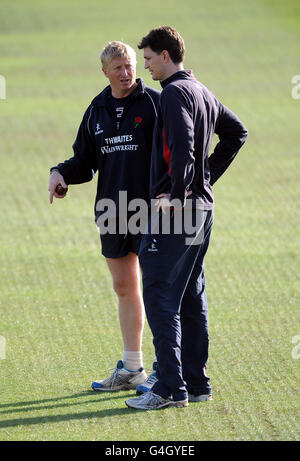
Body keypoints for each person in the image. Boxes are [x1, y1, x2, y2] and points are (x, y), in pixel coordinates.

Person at [125, 26, 248, 410]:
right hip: (203, 212)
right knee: (192, 295)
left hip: (177, 212)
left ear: (165, 55)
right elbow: (236, 133)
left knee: (160, 294)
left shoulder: (175, 92)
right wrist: (203, 180)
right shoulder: (201, 90)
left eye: (147, 60)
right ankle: (196, 383)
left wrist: (179, 194)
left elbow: (182, 145)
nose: (145, 67)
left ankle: (169, 389)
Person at [48, 41, 160, 391]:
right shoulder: (96, 109)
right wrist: (60, 174)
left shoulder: (155, 102)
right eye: (118, 68)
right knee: (124, 286)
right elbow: (84, 160)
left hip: (154, 211)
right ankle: (132, 368)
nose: (126, 73)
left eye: (130, 65)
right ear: (105, 72)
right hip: (112, 211)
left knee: (159, 290)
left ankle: (170, 368)